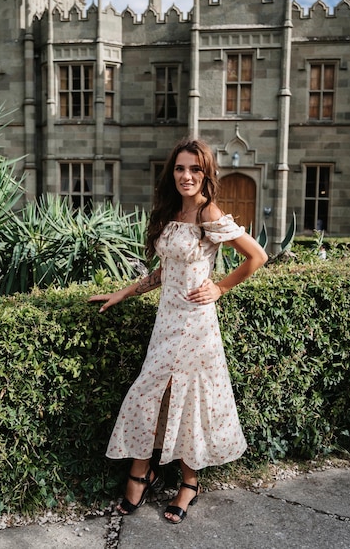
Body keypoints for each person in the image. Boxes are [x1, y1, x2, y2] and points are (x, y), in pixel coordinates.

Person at [89, 138, 268, 524]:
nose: (186, 176)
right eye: (180, 168)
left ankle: (182, 483)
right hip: (166, 323)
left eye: (195, 169)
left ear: (207, 174)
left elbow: (257, 256)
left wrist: (220, 287)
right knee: (154, 397)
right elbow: (164, 272)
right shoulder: (172, 212)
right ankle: (150, 474)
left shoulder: (209, 212)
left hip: (195, 325)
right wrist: (123, 292)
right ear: (172, 173)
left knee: (179, 401)